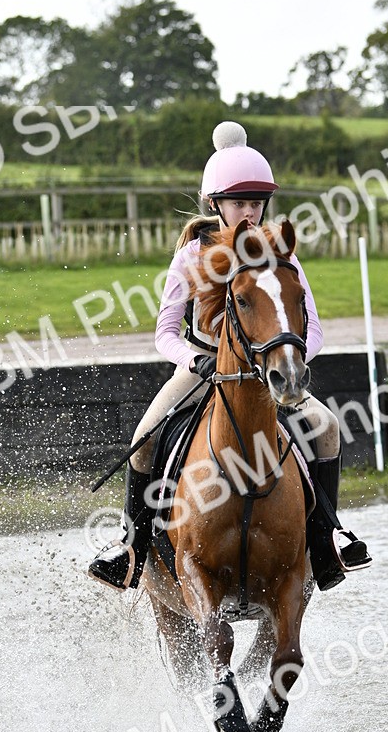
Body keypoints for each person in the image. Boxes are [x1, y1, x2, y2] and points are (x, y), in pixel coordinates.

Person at [88, 121, 370, 593]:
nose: (250, 211)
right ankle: (131, 550)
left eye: (257, 202)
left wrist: (289, 359)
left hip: (271, 374)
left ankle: (325, 540)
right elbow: (165, 332)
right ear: (216, 204)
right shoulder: (191, 257)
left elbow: (313, 328)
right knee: (143, 440)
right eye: (240, 202)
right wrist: (194, 361)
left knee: (327, 428)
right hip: (200, 369)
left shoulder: (283, 257)